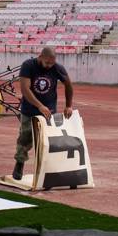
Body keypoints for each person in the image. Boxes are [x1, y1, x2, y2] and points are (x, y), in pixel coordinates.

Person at [13, 46, 74, 180]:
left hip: (49, 110)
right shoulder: (28, 65)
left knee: (47, 140)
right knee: (25, 137)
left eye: (51, 63)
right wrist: (39, 106)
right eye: (47, 63)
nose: (49, 66)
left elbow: (68, 85)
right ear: (40, 57)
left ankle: (46, 167)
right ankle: (20, 162)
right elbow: (25, 89)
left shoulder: (57, 68)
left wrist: (69, 105)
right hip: (29, 109)